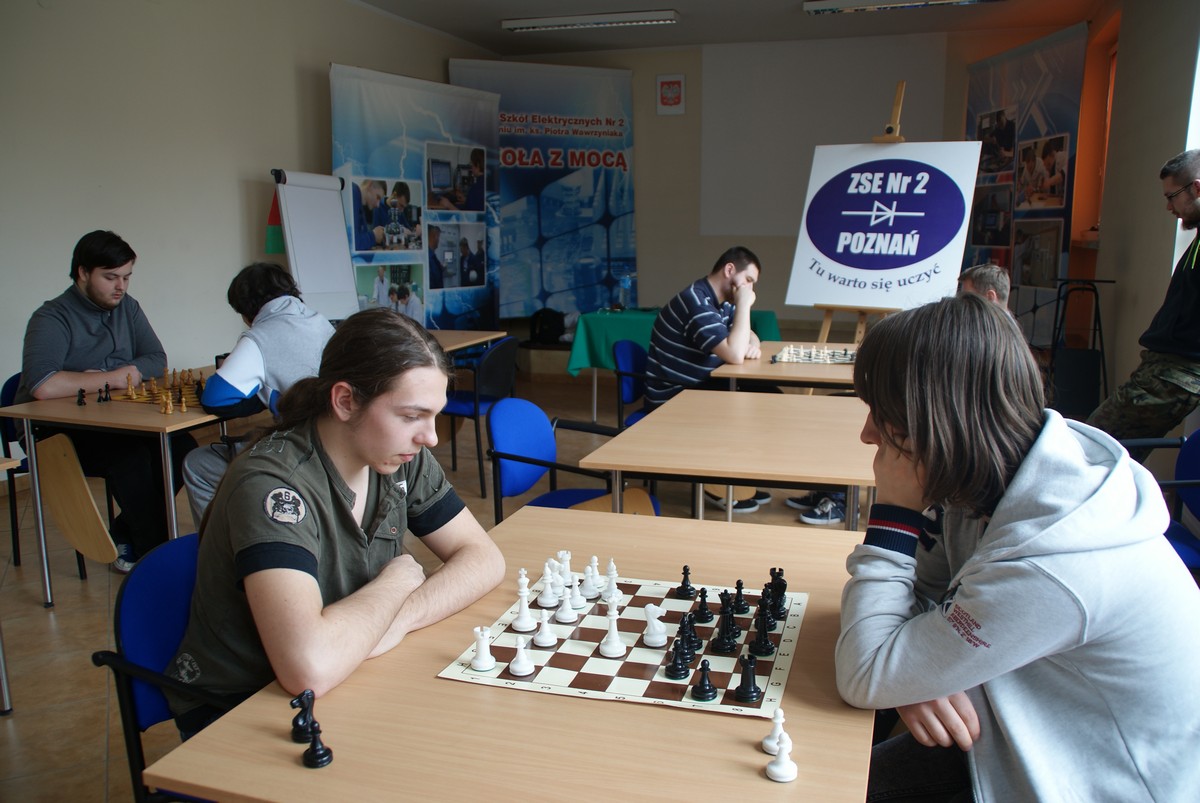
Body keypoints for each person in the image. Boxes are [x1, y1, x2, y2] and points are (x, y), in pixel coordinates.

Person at [835, 293, 1200, 802]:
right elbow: (916, 598)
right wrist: (909, 674)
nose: (867, 433)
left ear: (939, 419)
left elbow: (865, 670)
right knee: (829, 766)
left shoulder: (1051, 563)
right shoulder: (995, 474)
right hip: (1018, 726)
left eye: (883, 413)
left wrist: (895, 516)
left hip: (1088, 780)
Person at [166, 309, 506, 737]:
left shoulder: (400, 457)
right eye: (411, 416)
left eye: (433, 415)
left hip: (352, 665)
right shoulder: (273, 488)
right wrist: (398, 582)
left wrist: (398, 616)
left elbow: (483, 558)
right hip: (247, 706)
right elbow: (309, 668)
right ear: (345, 401)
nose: (431, 437)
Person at [16, 230, 197, 572]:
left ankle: (126, 534)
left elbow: (156, 358)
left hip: (114, 419)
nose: (121, 287)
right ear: (83, 273)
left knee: (182, 446)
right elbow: (43, 385)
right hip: (50, 431)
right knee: (129, 457)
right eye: (111, 277)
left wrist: (95, 377)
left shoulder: (128, 307)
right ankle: (155, 558)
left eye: (127, 277)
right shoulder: (51, 317)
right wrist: (113, 377)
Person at [181, 263, 335, 526]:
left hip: (301, 454)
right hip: (337, 443)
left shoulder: (259, 337)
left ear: (245, 312)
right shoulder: (320, 322)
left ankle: (217, 544)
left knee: (197, 463)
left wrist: (265, 393)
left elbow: (214, 399)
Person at [1088, 149, 1200, 458]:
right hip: (1162, 370)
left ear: (1197, 188)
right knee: (1101, 451)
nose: (1169, 207)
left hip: (1174, 375)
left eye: (1172, 196)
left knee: (1093, 450)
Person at [644, 245, 771, 515]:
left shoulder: (719, 302)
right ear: (729, 270)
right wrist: (744, 305)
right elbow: (734, 354)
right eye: (748, 280)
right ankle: (720, 486)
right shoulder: (696, 302)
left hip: (696, 386)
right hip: (674, 397)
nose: (750, 289)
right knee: (756, 404)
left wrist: (752, 342)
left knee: (768, 395)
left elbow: (748, 335)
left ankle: (735, 483)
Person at [353, 179, 386, 251]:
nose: (377, 205)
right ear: (370, 185)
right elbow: (354, 244)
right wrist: (374, 236)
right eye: (378, 197)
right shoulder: (354, 192)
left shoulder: (361, 208)